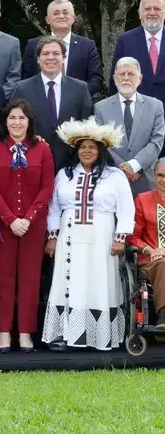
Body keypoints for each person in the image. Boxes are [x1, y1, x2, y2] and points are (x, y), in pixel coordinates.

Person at [43, 118, 134, 351]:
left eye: (92, 147)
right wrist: (52, 236)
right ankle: (65, 335)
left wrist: (120, 238)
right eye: (82, 147)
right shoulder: (65, 175)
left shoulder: (114, 176)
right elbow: (53, 207)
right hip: (69, 237)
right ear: (76, 150)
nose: (87, 151)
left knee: (99, 282)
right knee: (70, 282)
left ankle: (100, 337)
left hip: (103, 238)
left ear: (100, 151)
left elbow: (126, 209)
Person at [0, 99, 55, 353]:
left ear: (29, 122)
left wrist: (28, 218)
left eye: (22, 118)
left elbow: (47, 187)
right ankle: (4, 333)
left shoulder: (42, 150)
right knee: (4, 279)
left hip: (32, 226)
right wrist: (10, 219)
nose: (17, 123)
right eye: (12, 118)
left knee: (30, 279)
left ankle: (25, 333)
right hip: (5, 226)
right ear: (6, 121)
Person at [10, 35, 94, 170]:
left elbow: (87, 125)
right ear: (38, 59)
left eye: (56, 53)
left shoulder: (80, 88)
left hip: (71, 164)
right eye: (45, 53)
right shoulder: (22, 88)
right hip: (32, 162)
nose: (50, 57)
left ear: (63, 58)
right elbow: (12, 124)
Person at [94, 57, 165, 194]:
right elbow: (101, 142)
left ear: (140, 78)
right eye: (122, 74)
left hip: (146, 179)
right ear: (115, 79)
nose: (126, 78)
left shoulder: (155, 106)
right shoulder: (100, 108)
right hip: (113, 178)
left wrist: (134, 165)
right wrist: (123, 168)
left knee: (152, 215)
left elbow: (157, 141)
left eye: (131, 74)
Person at [22, 0, 102, 95]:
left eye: (65, 13)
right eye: (56, 13)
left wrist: (76, 95)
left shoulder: (87, 46)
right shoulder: (33, 45)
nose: (61, 16)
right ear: (47, 20)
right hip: (41, 104)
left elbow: (96, 80)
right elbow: (26, 78)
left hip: (76, 104)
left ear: (73, 18)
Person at [127, 160, 165, 324]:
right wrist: (150, 250)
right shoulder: (143, 200)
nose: (164, 180)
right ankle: (163, 315)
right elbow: (132, 237)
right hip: (151, 260)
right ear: (154, 176)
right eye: (160, 175)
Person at [109, 0, 165, 98]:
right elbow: (115, 79)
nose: (152, 13)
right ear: (140, 13)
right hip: (136, 109)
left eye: (157, 9)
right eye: (147, 9)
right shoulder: (125, 41)